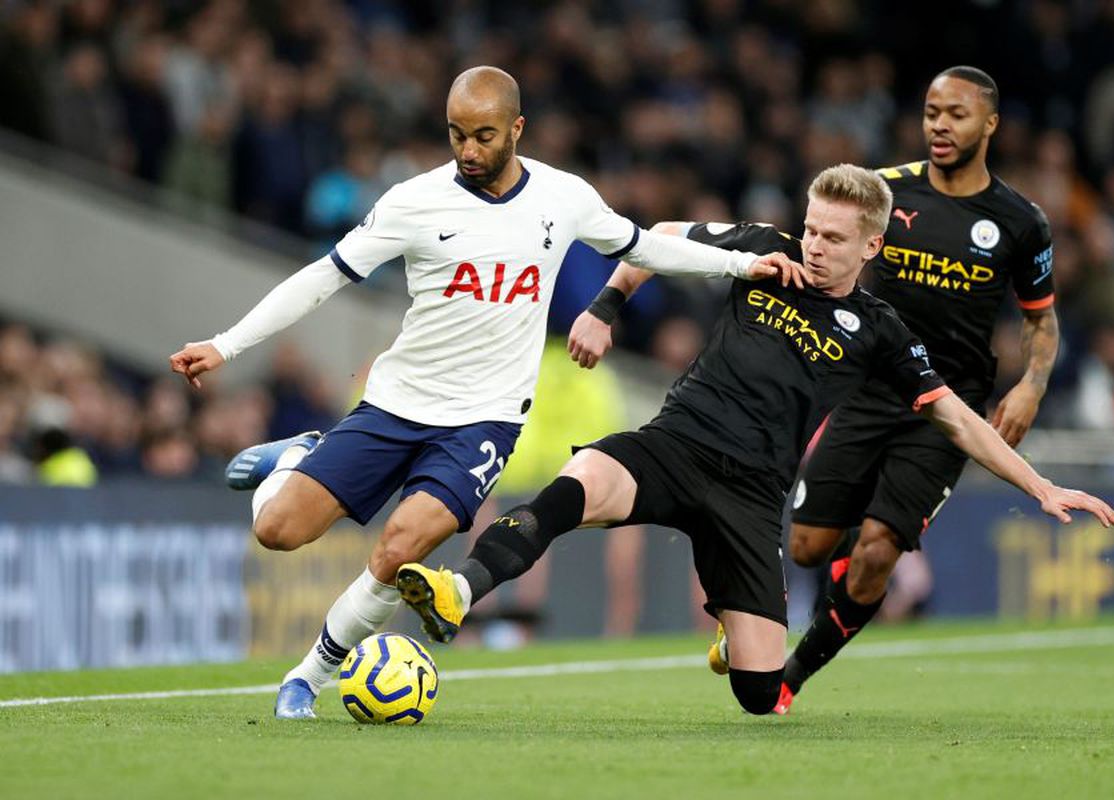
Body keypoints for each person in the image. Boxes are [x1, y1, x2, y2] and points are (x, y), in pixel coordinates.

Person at [168, 66, 804, 720]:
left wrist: (741, 264)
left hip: (484, 423)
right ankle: (299, 457)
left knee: (400, 549)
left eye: (484, 135)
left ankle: (308, 677)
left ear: (517, 130)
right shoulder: (414, 203)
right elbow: (322, 278)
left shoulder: (563, 197)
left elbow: (645, 246)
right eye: (456, 135)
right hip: (395, 405)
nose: (468, 150)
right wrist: (227, 344)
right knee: (278, 531)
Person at [392, 163, 1114, 716]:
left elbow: (956, 417)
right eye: (811, 229)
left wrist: (1042, 486)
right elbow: (665, 240)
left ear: (872, 245)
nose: (816, 246)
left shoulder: (881, 332)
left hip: (750, 496)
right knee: (582, 481)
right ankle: (459, 590)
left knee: (759, 694)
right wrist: (607, 305)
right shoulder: (765, 253)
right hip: (677, 444)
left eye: (835, 238)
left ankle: (741, 641)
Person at [779, 66, 1062, 713]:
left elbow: (1040, 317)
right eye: (932, 110)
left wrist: (1031, 386)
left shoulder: (1019, 222)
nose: (939, 124)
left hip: (947, 408)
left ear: (989, 125)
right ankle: (857, 563)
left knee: (878, 551)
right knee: (807, 546)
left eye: (956, 114)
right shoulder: (886, 193)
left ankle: (789, 679)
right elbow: (832, 260)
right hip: (869, 388)